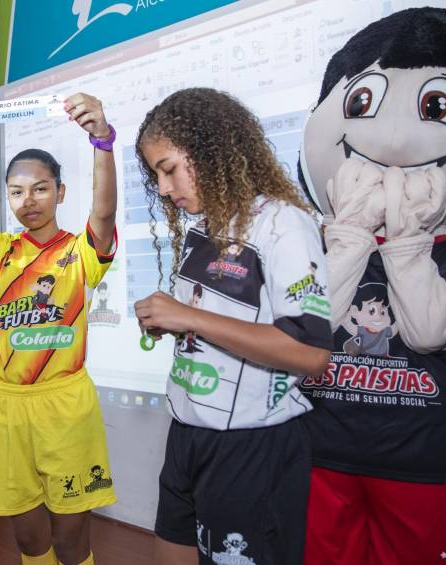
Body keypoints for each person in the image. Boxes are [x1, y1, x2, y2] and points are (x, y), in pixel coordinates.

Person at [297, 8, 446, 564]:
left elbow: (432, 333)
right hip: (323, 451)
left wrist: (406, 243)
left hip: (431, 460)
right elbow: (311, 326)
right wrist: (351, 236)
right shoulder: (319, 248)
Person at [132, 88, 332, 565]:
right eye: (156, 174)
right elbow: (216, 325)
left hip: (252, 446)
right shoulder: (202, 230)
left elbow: (310, 353)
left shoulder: (284, 225)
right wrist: (175, 326)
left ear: (210, 151)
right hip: (187, 434)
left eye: (169, 169)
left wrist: (189, 317)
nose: (163, 188)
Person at [0, 93, 118, 565]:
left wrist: (102, 142)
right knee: (30, 540)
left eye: (39, 188)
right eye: (16, 191)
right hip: (8, 408)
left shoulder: (80, 252)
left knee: (73, 541)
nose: (27, 200)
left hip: (67, 406)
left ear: (60, 191)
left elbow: (106, 213)